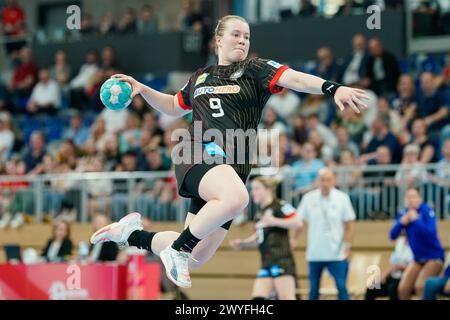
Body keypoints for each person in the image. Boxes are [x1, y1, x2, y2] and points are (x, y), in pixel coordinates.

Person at [90, 15, 368, 288]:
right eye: (236, 34)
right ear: (219, 40)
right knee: (236, 199)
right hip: (198, 151)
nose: (242, 40)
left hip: (231, 168)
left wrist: (333, 89)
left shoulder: (255, 69)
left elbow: (296, 79)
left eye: (247, 36)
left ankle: (130, 234)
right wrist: (141, 89)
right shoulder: (200, 77)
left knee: (195, 259)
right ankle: (177, 249)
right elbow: (174, 106)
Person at [229, 176, 302, 300]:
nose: (253, 193)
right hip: (266, 262)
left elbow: (298, 222)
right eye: (252, 189)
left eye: (257, 188)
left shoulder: (279, 205)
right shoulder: (260, 213)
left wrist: (274, 221)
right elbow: (259, 238)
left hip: (282, 261)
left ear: (268, 190)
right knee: (258, 297)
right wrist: (243, 243)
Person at [297, 168, 355, 300]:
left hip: (337, 253)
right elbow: (299, 222)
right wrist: (294, 238)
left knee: (342, 288)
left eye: (328, 180)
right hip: (315, 253)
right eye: (322, 180)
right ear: (318, 181)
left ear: (333, 181)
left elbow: (350, 224)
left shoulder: (342, 198)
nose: (325, 183)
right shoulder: (308, 198)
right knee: (313, 291)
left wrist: (348, 245)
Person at [390, 188, 445, 300]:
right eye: (408, 197)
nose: (411, 200)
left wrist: (416, 220)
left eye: (414, 197)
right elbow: (392, 236)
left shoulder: (426, 211)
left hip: (434, 257)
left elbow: (430, 234)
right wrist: (401, 223)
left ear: (419, 199)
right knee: (403, 288)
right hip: (417, 258)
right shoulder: (403, 213)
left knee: (421, 286)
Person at [365, 235, 413, 300]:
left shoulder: (418, 243)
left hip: (407, 278)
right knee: (372, 288)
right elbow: (393, 263)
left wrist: (400, 267)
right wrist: (384, 275)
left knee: (392, 289)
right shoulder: (400, 241)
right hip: (394, 276)